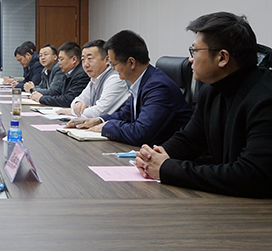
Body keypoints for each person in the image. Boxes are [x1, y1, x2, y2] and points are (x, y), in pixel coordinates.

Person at [135, 12, 272, 197]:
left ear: (222, 58)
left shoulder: (265, 99)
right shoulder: (211, 91)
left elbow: (251, 175)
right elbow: (189, 139)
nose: (190, 59)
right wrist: (154, 156)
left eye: (195, 51)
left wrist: (166, 168)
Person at [67, 30, 192, 146]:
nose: (113, 69)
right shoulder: (142, 81)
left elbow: (141, 133)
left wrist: (107, 127)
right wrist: (99, 120)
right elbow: (125, 114)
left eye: (114, 64)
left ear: (131, 63)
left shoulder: (158, 87)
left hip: (170, 154)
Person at [57, 39, 129, 118]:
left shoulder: (115, 79)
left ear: (107, 60)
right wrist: (78, 104)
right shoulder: (94, 79)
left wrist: (71, 111)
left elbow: (99, 112)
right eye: (83, 59)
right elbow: (76, 101)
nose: (85, 64)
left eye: (90, 58)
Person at [30, 42, 89, 107]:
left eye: (61, 59)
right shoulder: (68, 73)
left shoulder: (81, 75)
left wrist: (41, 98)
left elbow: (68, 100)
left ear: (74, 59)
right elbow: (59, 94)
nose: (59, 63)